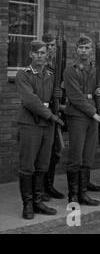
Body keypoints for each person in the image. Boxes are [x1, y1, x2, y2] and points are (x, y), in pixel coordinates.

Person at [16, 40, 64, 219]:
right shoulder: (23, 74)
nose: (39, 55)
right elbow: (30, 100)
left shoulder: (50, 75)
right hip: (30, 124)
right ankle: (27, 204)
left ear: (46, 55)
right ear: (30, 55)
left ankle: (38, 201)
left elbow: (53, 101)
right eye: (36, 53)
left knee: (43, 164)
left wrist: (59, 96)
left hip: (47, 126)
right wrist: (51, 115)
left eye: (42, 52)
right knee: (27, 165)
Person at [63, 35, 100, 206]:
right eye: (81, 48)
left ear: (91, 51)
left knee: (88, 154)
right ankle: (73, 196)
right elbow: (75, 97)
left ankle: (83, 193)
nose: (84, 51)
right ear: (76, 49)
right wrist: (93, 113)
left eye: (87, 48)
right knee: (76, 155)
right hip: (78, 115)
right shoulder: (70, 70)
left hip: (93, 114)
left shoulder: (94, 69)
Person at [41, 33, 65, 200]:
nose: (50, 49)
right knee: (41, 153)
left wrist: (62, 98)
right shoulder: (40, 68)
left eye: (53, 46)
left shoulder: (60, 68)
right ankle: (39, 189)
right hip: (43, 115)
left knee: (55, 152)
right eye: (47, 46)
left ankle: (49, 185)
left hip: (58, 113)